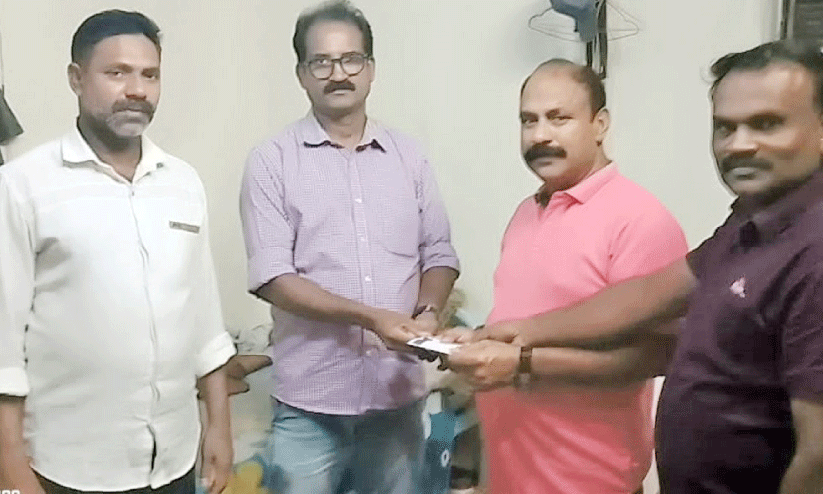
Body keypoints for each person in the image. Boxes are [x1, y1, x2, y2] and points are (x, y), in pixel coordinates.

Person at [451, 41, 823, 494]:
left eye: (767, 124)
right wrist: (509, 333)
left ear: (600, 124)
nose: (739, 144)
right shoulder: (748, 224)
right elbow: (649, 295)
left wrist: (523, 362)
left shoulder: (810, 246)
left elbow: (818, 458)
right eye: (725, 127)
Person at [0, 10, 235, 494]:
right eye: (117, 73)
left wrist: (219, 425)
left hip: (172, 459)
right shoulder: (24, 186)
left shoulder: (182, 182)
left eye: (150, 75)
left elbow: (204, 319)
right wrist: (13, 471)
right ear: (76, 78)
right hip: (69, 468)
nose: (137, 90)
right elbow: (3, 348)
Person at [238, 1, 459, 493]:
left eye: (351, 59)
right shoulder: (271, 161)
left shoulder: (409, 156)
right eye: (322, 62)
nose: (338, 74)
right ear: (301, 74)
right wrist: (371, 317)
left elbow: (439, 253)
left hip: (397, 399)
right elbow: (274, 278)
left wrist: (428, 312)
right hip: (309, 405)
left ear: (371, 69)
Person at [444, 59, 688, 494]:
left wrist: (521, 365)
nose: (540, 135)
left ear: (600, 124)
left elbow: (657, 355)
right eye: (529, 120)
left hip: (587, 480)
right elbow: (527, 320)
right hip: (507, 474)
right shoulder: (526, 211)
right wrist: (478, 340)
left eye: (559, 118)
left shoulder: (640, 220)